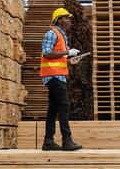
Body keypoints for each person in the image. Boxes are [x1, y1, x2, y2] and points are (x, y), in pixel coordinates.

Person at [40, 8, 83, 151]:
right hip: (53, 75)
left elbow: (58, 57)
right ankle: (67, 140)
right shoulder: (52, 33)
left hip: (58, 74)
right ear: (58, 20)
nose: (69, 20)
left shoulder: (62, 35)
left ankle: (48, 141)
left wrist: (70, 61)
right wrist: (67, 52)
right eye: (66, 17)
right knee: (64, 105)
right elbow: (47, 53)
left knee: (53, 109)